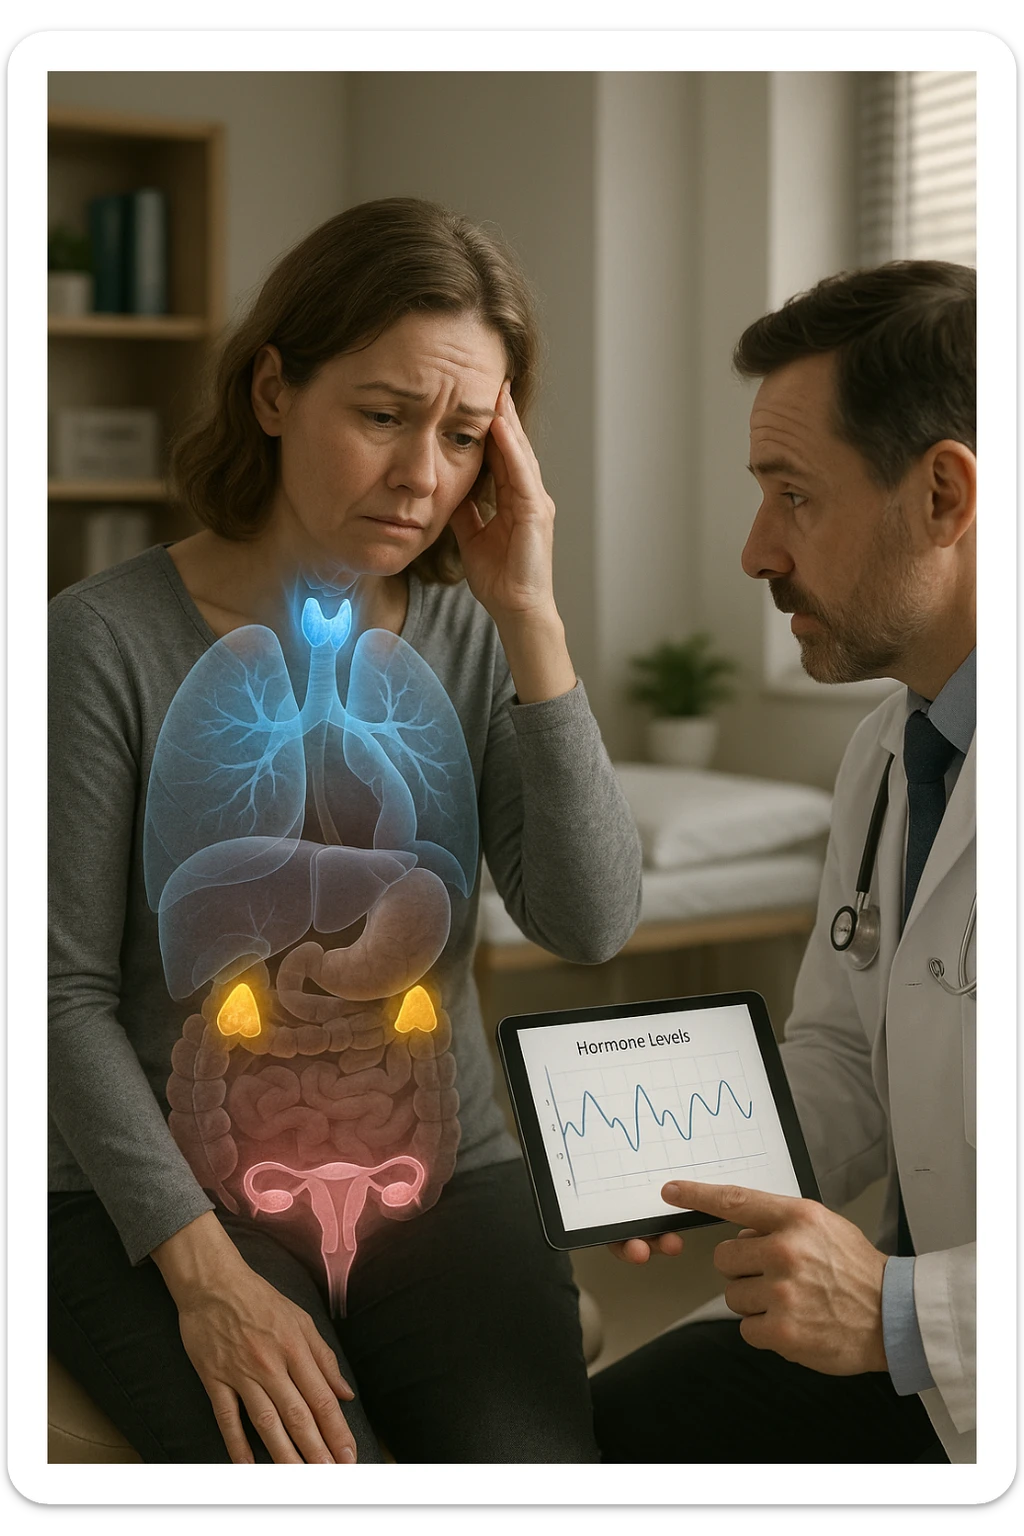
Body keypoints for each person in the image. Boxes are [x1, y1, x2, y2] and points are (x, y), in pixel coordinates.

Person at [48, 196, 642, 1465]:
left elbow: (590, 921)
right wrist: (202, 1277)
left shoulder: (472, 633)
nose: (424, 474)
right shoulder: (99, 642)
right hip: (165, 1188)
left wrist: (531, 613)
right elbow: (52, 996)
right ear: (274, 391)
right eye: (383, 415)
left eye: (466, 435)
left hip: (447, 1176)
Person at [590, 260, 976, 1465]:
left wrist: (904, 1313)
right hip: (928, 1371)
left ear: (943, 493)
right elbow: (840, 1052)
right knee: (575, 1447)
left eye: (793, 497)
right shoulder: (890, 748)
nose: (756, 552)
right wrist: (662, 1156)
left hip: (947, 1344)